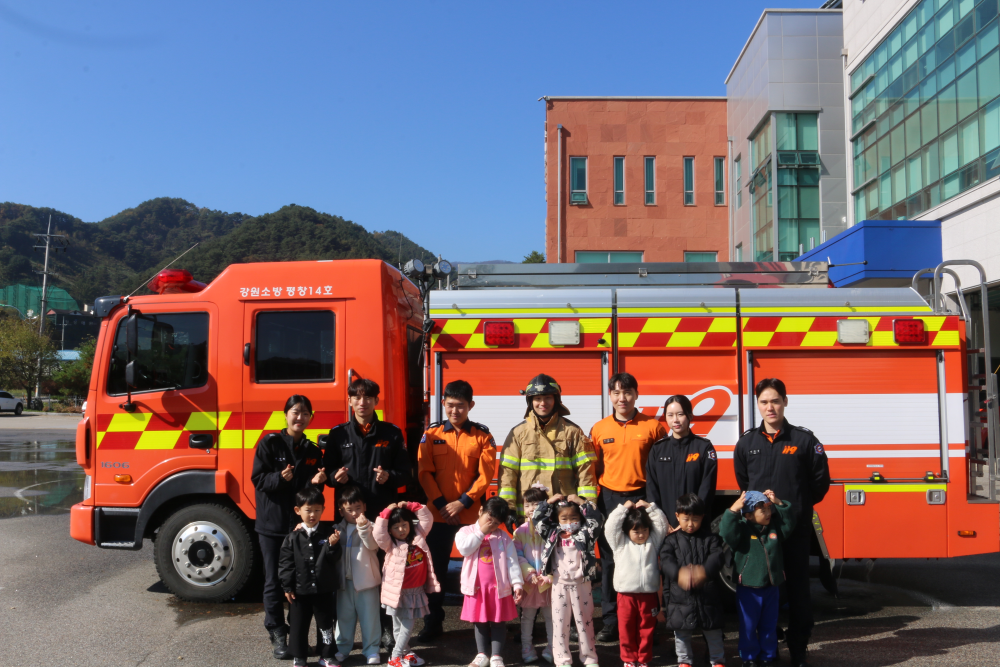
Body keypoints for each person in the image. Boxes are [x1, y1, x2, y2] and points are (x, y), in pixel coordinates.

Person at [733, 378, 830, 667]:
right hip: (760, 536)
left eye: (775, 400)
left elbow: (819, 484)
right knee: (763, 590)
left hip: (795, 531)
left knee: (799, 591)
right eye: (764, 402)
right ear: (758, 405)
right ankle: (768, 646)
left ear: (785, 402)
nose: (770, 407)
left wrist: (793, 509)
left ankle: (798, 649)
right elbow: (743, 482)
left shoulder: (804, 440)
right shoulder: (747, 443)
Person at [326, 377, 412, 650]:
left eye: (367, 397)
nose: (362, 402)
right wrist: (334, 477)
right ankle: (344, 637)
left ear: (376, 401)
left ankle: (385, 630)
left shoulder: (392, 433)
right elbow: (326, 473)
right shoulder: (338, 434)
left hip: (381, 516)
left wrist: (390, 476)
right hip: (349, 518)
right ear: (350, 401)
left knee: (385, 574)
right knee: (349, 575)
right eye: (356, 397)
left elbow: (406, 473)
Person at [416, 379, 497, 641]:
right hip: (437, 516)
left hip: (471, 515)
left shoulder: (483, 435)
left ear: (470, 405)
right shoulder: (432, 434)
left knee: (479, 570)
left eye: (461, 406)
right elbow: (424, 472)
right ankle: (433, 622)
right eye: (450, 406)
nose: (455, 411)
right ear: (443, 404)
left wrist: (462, 502)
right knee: (435, 570)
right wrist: (441, 504)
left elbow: (485, 476)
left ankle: (482, 621)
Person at [588, 372, 666, 641]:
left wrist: (654, 501)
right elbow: (593, 468)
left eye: (627, 392)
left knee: (647, 557)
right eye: (617, 393)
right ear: (610, 396)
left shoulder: (653, 426)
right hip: (610, 498)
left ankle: (650, 616)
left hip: (643, 497)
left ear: (636, 394)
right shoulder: (599, 429)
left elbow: (661, 467)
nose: (622, 398)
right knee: (610, 560)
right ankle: (611, 621)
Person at [251, 394, 328, 660]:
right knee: (274, 581)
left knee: (300, 582)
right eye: (295, 412)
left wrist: (318, 482)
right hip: (271, 527)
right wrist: (279, 478)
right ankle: (276, 633)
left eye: (305, 413)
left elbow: (308, 495)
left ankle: (296, 636)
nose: (300, 418)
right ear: (286, 414)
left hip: (299, 528)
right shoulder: (269, 444)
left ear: (310, 418)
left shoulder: (312, 450)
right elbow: (258, 479)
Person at [498, 374, 597, 516]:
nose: (542, 403)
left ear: (556, 400)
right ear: (530, 401)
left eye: (548, 398)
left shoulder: (572, 432)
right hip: (530, 513)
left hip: (563, 513)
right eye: (537, 398)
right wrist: (508, 508)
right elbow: (507, 473)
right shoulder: (518, 433)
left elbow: (586, 473)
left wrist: (587, 505)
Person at [720, 491, 796, 667]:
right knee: (748, 626)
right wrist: (732, 510)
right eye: (762, 510)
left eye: (769, 508)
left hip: (771, 587)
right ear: (748, 515)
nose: (768, 513)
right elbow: (726, 531)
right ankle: (749, 658)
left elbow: (789, 523)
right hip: (748, 588)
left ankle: (767, 656)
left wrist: (778, 502)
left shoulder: (774, 528)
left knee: (769, 625)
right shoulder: (741, 530)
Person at [532, 494, 602, 667]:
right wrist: (548, 502)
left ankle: (590, 658)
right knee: (560, 624)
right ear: (557, 519)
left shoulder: (586, 533)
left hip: (582, 584)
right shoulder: (552, 533)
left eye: (574, 517)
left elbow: (597, 519)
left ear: (580, 518)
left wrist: (582, 503)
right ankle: (562, 659)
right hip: (559, 584)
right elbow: (537, 519)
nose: (569, 521)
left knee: (585, 622)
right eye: (564, 518)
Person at [455, 497, 525, 667]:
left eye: (495, 523)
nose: (491, 526)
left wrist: (517, 583)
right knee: (479, 622)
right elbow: (464, 549)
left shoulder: (503, 537)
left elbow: (512, 561)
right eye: (489, 520)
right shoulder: (465, 531)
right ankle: (481, 654)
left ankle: (496, 656)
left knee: (499, 622)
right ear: (480, 511)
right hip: (477, 588)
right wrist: (481, 532)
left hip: (498, 589)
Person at [659, 493, 726, 667]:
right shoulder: (671, 541)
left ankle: (717, 660)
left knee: (713, 631)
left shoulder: (710, 539)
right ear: (677, 517)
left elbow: (718, 557)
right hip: (680, 598)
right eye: (686, 518)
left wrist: (704, 571)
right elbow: (665, 561)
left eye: (695, 519)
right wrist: (678, 573)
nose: (690, 524)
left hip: (708, 597)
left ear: (702, 518)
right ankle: (684, 661)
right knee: (681, 633)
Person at [279, 486, 342, 667]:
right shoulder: (292, 537)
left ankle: (327, 655)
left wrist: (332, 546)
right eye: (308, 510)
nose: (312, 514)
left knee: (325, 625)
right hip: (300, 590)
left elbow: (334, 559)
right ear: (298, 511)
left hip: (323, 588)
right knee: (298, 625)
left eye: (317, 510)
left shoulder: (329, 533)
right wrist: (287, 587)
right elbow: (286, 564)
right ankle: (299, 656)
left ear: (323, 509)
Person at [373, 501, 441, 667]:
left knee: (406, 625)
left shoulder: (419, 536)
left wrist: (411, 505)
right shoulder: (389, 543)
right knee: (400, 626)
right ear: (390, 530)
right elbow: (378, 532)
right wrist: (387, 511)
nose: (401, 530)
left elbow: (427, 518)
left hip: (415, 591)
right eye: (396, 527)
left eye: (404, 525)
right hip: (397, 592)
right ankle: (397, 656)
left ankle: (403, 652)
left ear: (410, 524)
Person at [604, 499, 668, 667]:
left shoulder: (653, 543)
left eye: (645, 530)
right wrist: (623, 508)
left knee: (647, 629)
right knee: (626, 629)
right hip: (625, 595)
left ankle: (643, 659)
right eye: (636, 531)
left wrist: (650, 507)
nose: (641, 534)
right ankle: (629, 659)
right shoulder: (619, 544)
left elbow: (662, 525)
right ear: (627, 531)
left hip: (649, 596)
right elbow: (610, 526)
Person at [645, 394, 718, 530]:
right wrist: (661, 521)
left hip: (694, 526)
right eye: (670, 415)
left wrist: (687, 522)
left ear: (690, 415)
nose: (675, 420)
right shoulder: (658, 449)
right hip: (665, 528)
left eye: (680, 414)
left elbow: (707, 489)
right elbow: (652, 489)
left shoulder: (703, 447)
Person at [333, 483, 383, 665]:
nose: (354, 513)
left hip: (367, 581)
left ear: (365, 508)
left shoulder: (372, 526)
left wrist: (363, 528)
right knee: (344, 617)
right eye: (349, 509)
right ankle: (342, 648)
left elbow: (372, 546)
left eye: (358, 508)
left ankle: (372, 650)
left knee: (370, 618)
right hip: (344, 583)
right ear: (341, 511)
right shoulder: (337, 528)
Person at [513, 485, 554, 664]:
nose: (531, 509)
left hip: (548, 581)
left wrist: (549, 575)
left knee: (551, 616)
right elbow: (517, 556)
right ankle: (526, 647)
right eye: (527, 504)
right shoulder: (520, 531)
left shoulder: (552, 529)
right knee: (527, 616)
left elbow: (557, 554)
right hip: (530, 582)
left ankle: (553, 647)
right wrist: (529, 573)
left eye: (536, 504)